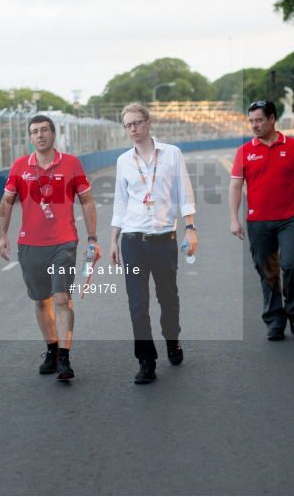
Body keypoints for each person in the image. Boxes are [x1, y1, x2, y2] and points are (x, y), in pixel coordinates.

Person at [0, 114, 100, 381]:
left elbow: (87, 201)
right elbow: (7, 202)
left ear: (54, 134)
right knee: (41, 301)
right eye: (34, 131)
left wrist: (92, 238)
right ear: (30, 138)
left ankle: (64, 358)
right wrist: (2, 235)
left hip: (63, 242)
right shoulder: (20, 166)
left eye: (44, 130)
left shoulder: (71, 163)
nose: (40, 135)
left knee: (60, 298)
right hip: (29, 244)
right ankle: (52, 351)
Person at [110, 103, 196, 384]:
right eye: (128, 125)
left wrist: (190, 229)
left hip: (164, 240)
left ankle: (172, 339)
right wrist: (114, 239)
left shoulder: (171, 154)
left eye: (137, 123)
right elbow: (120, 204)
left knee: (168, 299)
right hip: (132, 241)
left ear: (149, 123)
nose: (133, 129)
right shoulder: (124, 161)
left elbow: (184, 193)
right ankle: (146, 360)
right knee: (138, 304)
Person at [229, 100, 294, 341]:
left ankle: (293, 312)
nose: (254, 126)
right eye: (251, 121)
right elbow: (235, 187)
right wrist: (234, 219)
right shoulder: (244, 151)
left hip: (289, 219)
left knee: (291, 264)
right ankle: (275, 321)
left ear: (271, 119)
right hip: (258, 222)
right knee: (267, 273)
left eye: (258, 120)